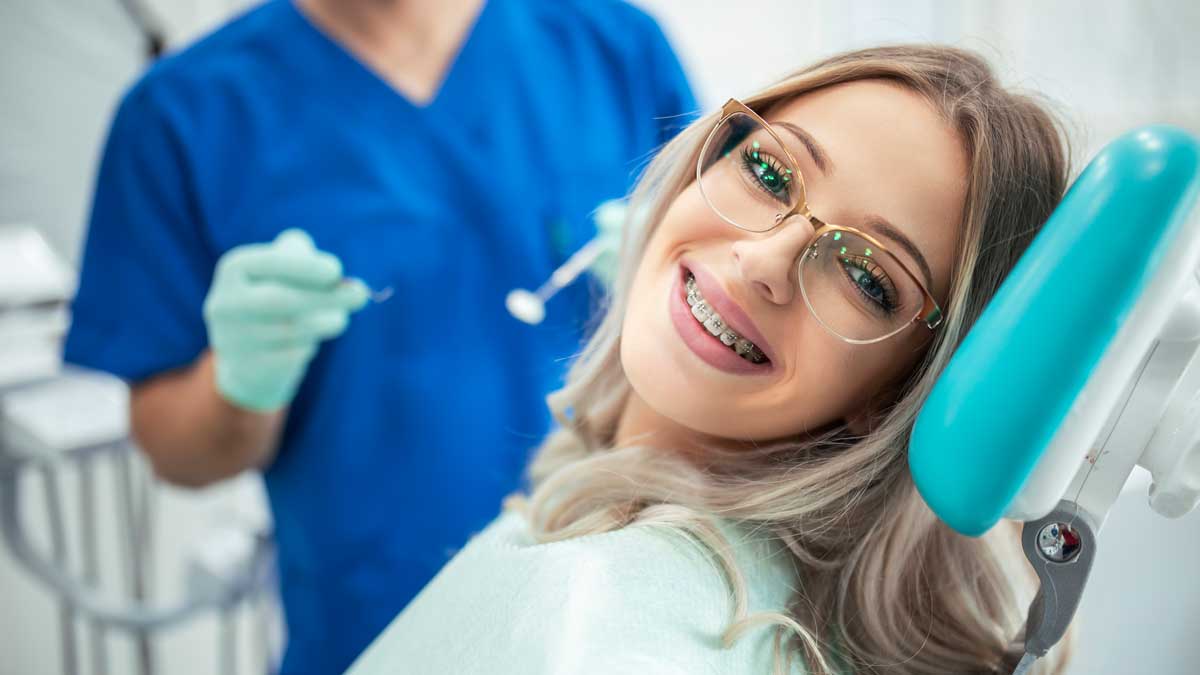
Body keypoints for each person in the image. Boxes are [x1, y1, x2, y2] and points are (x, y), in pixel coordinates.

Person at [346, 45, 1076, 674]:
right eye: (768, 169)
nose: (764, 259)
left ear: (899, 392)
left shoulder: (608, 616)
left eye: (866, 277)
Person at [63, 0, 695, 672]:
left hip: (617, 620)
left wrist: (674, 283)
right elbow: (176, 452)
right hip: (375, 635)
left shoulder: (612, 46)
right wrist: (240, 379)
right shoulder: (184, 114)